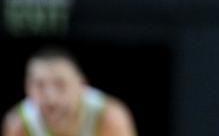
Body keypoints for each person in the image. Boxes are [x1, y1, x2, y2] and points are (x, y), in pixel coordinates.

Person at [2, 48, 136, 136]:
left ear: (82, 85)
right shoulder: (18, 124)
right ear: (27, 87)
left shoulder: (109, 117)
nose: (50, 97)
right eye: (39, 85)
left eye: (60, 85)